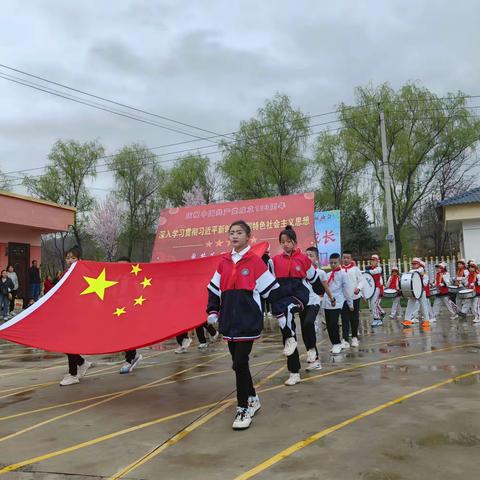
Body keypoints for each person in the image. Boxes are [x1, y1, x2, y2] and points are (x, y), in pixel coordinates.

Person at [206, 220, 279, 430]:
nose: (235, 236)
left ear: (248, 236)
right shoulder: (224, 262)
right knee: (240, 365)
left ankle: (243, 408)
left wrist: (283, 313)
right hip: (228, 322)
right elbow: (213, 290)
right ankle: (253, 397)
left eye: (239, 232)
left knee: (239, 363)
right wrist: (212, 310)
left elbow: (271, 291)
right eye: (231, 233)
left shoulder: (255, 261)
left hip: (248, 321)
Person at [270, 226, 323, 386]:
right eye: (282, 242)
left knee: (306, 325)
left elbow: (314, 279)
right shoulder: (274, 261)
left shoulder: (303, 259)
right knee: (285, 329)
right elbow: (269, 280)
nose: (285, 244)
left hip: (301, 295)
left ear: (294, 242)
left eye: (288, 241)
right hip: (283, 294)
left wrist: (320, 294)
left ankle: (312, 352)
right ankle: (294, 372)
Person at [60, 246, 92, 386]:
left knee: (69, 344)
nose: (70, 260)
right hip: (67, 314)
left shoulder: (83, 274)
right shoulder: (66, 273)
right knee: (66, 344)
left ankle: (73, 374)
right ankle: (82, 363)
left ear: (79, 259)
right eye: (68, 257)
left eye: (73, 258)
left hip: (78, 315)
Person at [303, 247, 335, 370]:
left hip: (315, 301)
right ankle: (314, 360)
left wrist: (332, 298)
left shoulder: (320, 273)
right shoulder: (301, 270)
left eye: (311, 255)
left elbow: (326, 287)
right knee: (307, 330)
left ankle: (313, 352)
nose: (308, 257)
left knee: (310, 323)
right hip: (303, 302)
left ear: (316, 258)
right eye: (306, 255)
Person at [116, 257, 144, 374]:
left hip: (131, 312)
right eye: (118, 266)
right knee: (121, 336)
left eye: (124, 265)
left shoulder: (134, 279)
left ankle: (130, 359)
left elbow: (140, 294)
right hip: (118, 312)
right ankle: (133, 355)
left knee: (129, 336)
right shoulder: (114, 279)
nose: (121, 268)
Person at [323, 253, 353, 354]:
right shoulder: (327, 275)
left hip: (338, 302)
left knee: (333, 323)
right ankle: (334, 343)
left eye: (335, 262)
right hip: (327, 301)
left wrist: (350, 303)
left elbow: (347, 290)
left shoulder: (343, 274)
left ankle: (337, 343)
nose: (333, 264)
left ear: (339, 262)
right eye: (331, 263)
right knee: (329, 325)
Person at [402, 258, 433, 328]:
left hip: (421, 292)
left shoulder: (424, 274)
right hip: (413, 291)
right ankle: (407, 320)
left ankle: (426, 321)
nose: (413, 265)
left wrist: (420, 278)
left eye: (415, 264)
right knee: (409, 305)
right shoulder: (412, 271)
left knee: (423, 306)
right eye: (412, 264)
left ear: (419, 265)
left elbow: (425, 284)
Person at [341, 251, 363, 347]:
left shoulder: (355, 269)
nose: (346, 259)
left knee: (354, 318)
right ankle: (345, 339)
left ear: (351, 259)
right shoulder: (339, 270)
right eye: (344, 257)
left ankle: (354, 337)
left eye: (347, 258)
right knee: (344, 318)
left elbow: (361, 280)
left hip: (355, 297)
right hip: (343, 298)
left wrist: (358, 288)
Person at [365, 254, 385, 327]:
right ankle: (379, 315)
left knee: (374, 303)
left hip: (377, 288)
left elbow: (373, 272)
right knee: (371, 304)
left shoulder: (379, 268)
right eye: (372, 260)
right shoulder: (370, 268)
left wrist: (367, 271)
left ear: (377, 261)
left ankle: (377, 319)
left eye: (374, 260)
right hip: (371, 288)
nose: (372, 262)